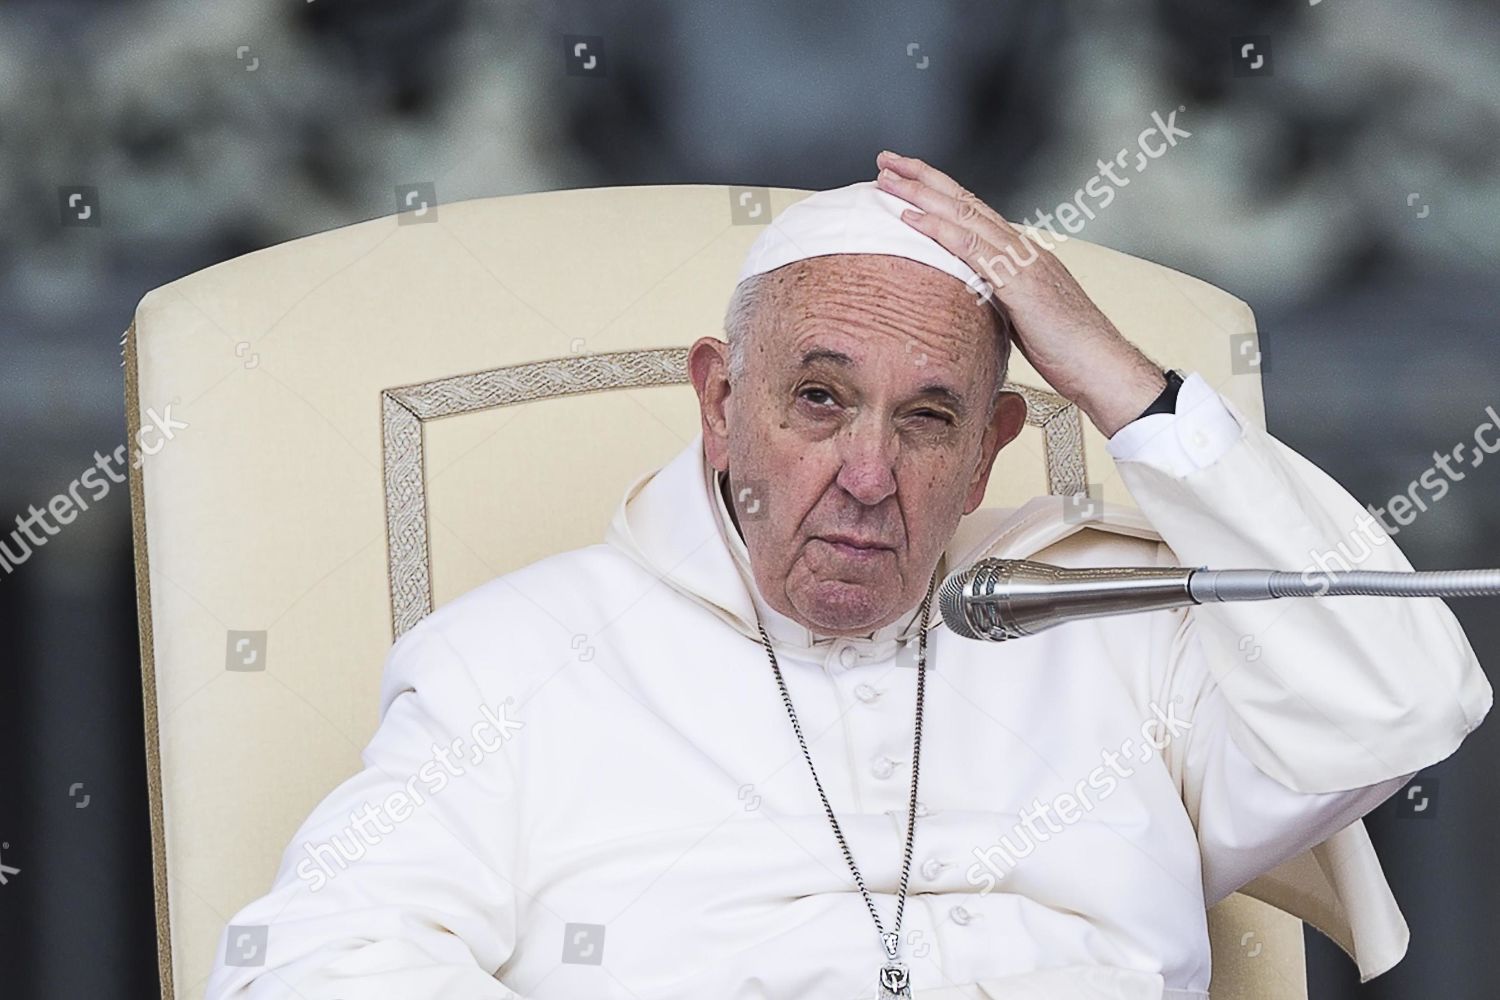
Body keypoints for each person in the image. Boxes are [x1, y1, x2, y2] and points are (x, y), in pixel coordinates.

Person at [204, 152, 1492, 1000]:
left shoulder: (1109, 624)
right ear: (719, 403)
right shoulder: (521, 660)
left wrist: (1123, 385)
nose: (868, 475)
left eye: (931, 418)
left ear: (993, 451)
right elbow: (300, 963)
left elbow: (1402, 699)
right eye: (817, 402)